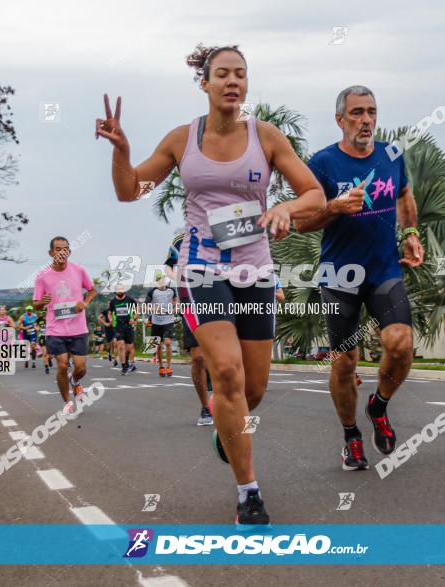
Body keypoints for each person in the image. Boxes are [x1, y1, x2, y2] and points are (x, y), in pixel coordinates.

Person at [96, 44, 324, 525]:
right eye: (222, 74)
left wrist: (285, 208)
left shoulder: (267, 136)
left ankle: (227, 428)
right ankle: (249, 493)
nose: (232, 81)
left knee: (253, 390)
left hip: (255, 272)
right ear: (205, 83)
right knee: (227, 373)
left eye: (240, 74)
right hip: (201, 269)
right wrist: (123, 153)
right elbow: (127, 191)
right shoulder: (183, 139)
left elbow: (314, 194)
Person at [296, 85, 423, 471]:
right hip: (340, 275)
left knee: (400, 343)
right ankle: (351, 435)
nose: (365, 120)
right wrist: (334, 207)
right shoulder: (323, 164)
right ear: (340, 119)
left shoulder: (391, 155)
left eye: (371, 112)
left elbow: (404, 195)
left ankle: (379, 405)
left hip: (384, 268)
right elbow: (302, 222)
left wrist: (411, 233)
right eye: (356, 113)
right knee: (344, 363)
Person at [33, 236, 97, 414]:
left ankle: (75, 381)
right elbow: (35, 304)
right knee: (62, 365)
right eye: (58, 249)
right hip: (56, 329)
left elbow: (92, 290)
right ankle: (67, 402)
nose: (62, 252)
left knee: (80, 367)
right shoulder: (42, 276)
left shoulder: (79, 270)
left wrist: (85, 303)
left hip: (78, 328)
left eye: (65, 249)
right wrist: (42, 302)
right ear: (51, 252)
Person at [165, 231, 213, 425]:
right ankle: (205, 408)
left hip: (217, 298)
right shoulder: (178, 239)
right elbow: (168, 266)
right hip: (190, 300)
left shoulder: (215, 232)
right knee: (199, 357)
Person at [144, 277, 178, 377]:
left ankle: (169, 367)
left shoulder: (172, 290)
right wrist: (154, 310)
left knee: (167, 342)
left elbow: (175, 300)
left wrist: (175, 308)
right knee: (157, 345)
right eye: (159, 280)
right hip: (156, 321)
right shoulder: (152, 291)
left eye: (162, 280)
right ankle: (161, 367)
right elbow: (146, 305)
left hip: (168, 320)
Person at [107, 286, 139, 375]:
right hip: (119, 326)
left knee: (129, 349)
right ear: (116, 292)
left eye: (122, 291)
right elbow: (109, 313)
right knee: (120, 345)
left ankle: (127, 360)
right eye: (119, 292)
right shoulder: (113, 302)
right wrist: (110, 319)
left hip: (129, 325)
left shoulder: (130, 300)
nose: (121, 293)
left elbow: (137, 310)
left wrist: (134, 318)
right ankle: (124, 366)